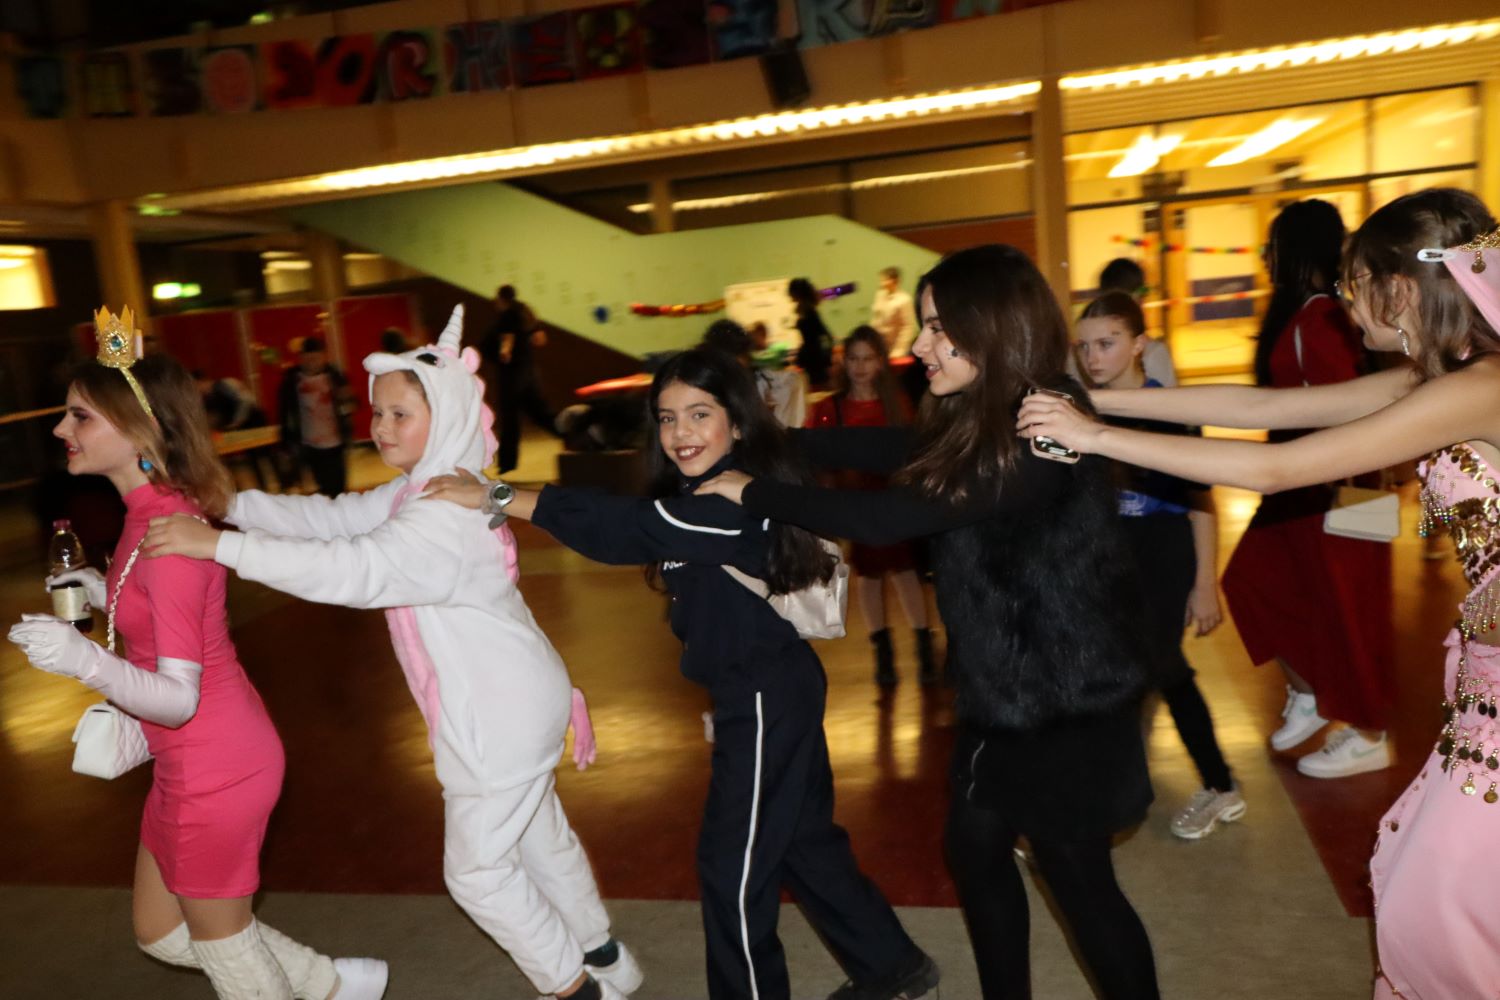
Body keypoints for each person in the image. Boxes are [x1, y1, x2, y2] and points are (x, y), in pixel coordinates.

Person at [1018, 187, 1500, 1000]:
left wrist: (1093, 437)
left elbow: (1279, 466)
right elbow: (1272, 411)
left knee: (1439, 890)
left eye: (1357, 285)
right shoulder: (1435, 376)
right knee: (1447, 887)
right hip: (1485, 676)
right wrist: (1092, 399)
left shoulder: (1477, 387)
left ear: (1405, 289)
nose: (1348, 306)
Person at [698, 245, 1160, 1000]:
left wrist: (752, 490)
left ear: (992, 326)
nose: (918, 346)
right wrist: (777, 445)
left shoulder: (1046, 423)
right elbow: (900, 448)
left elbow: (889, 517)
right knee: (975, 851)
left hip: (1066, 704)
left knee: (1078, 879)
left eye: (938, 328)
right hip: (1000, 692)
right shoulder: (984, 406)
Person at [143, 308, 639, 1000]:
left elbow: (353, 570)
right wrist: (228, 501)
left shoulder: (442, 514)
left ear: (449, 415)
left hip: (498, 715)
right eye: (378, 413)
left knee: (477, 874)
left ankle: (576, 987)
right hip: (521, 697)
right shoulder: (430, 487)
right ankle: (607, 956)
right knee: (536, 838)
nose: (380, 428)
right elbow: (335, 517)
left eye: (401, 414)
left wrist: (218, 545)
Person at [425, 349, 939, 1000]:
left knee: (733, 870)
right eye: (668, 418)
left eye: (700, 414)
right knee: (803, 843)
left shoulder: (728, 497)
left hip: (765, 694)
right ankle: (895, 970)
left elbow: (625, 529)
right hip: (761, 690)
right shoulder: (702, 489)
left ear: (738, 423)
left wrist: (499, 494)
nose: (681, 433)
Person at [7, 307, 387, 1000]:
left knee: (229, 952)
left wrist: (80, 660)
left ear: (139, 428)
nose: (62, 429)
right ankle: (333, 985)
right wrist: (98, 589)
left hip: (214, 765)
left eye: (81, 417)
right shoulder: (147, 517)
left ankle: (329, 987)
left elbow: (179, 697)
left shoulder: (169, 530)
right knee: (161, 933)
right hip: (190, 764)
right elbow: (156, 614)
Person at [1075, 291, 1242, 839]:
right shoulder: (1084, 413)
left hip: (1164, 549)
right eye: (1084, 347)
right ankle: (1112, 792)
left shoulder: (1171, 411)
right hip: (1112, 553)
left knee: (1162, 665)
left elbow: (1203, 503)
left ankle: (1219, 785)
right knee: (1121, 672)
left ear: (1140, 343)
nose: (1093, 357)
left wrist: (1204, 584)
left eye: (1107, 343)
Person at [1239, 200, 1397, 777]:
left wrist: (1340, 487)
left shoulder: (1322, 316)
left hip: (1341, 490)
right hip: (1311, 489)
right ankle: (1312, 694)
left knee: (1352, 610)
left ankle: (1369, 730)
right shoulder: (1308, 314)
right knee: (1260, 583)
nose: (1265, 257)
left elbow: (1345, 412)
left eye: (1273, 245)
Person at [806, 325, 936, 686]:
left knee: (905, 570)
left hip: (895, 500)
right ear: (844, 363)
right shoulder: (831, 408)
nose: (860, 366)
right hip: (857, 502)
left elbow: (914, 454)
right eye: (853, 359)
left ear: (880, 361)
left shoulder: (897, 405)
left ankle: (923, 643)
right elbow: (818, 458)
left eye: (868, 358)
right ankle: (883, 650)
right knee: (869, 575)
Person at [483, 284, 558, 473]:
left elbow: (507, 340)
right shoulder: (525, 312)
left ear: (501, 299)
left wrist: (504, 351)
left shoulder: (508, 315)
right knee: (540, 412)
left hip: (512, 375)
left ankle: (507, 463)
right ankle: (567, 432)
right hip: (528, 372)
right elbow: (540, 338)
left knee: (510, 419)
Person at [277, 333, 353, 497]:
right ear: (301, 358)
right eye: (308, 359)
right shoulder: (292, 381)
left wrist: (347, 403)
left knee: (339, 486)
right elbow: (285, 412)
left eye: (316, 358)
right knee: (322, 485)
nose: (312, 363)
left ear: (324, 357)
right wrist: (286, 442)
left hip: (335, 440)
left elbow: (351, 404)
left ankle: (342, 516)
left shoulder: (335, 376)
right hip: (308, 442)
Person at [1097, 257, 1177, 387]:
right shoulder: (1153, 353)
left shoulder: (1082, 356)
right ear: (1138, 300)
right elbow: (1171, 404)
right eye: (1143, 295)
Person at [789, 278, 834, 388]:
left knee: (816, 389)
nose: (790, 297)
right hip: (811, 356)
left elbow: (826, 334)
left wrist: (827, 358)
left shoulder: (810, 312)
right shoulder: (805, 311)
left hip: (814, 358)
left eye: (792, 294)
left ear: (798, 293)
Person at [870, 266, 918, 358]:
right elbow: (876, 318)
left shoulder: (904, 300)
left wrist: (899, 350)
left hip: (895, 347)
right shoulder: (880, 295)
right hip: (879, 345)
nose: (881, 283)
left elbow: (908, 327)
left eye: (884, 280)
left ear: (895, 281)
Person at [193, 370, 266, 431]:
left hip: (252, 422)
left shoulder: (224, 384)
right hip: (240, 427)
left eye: (196, 385)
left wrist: (236, 423)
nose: (197, 390)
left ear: (202, 381)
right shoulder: (209, 398)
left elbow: (245, 401)